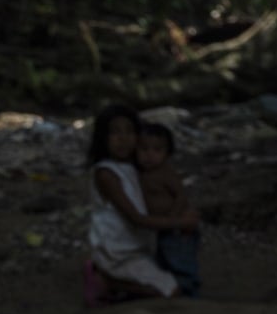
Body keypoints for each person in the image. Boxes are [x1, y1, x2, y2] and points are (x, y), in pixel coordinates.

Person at [84, 105, 197, 301]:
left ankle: (119, 284)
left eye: (129, 131)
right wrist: (181, 222)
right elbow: (136, 219)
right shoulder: (106, 174)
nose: (123, 138)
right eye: (115, 132)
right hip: (117, 253)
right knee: (171, 291)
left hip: (139, 248)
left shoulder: (136, 168)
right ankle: (107, 281)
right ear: (103, 138)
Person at [135, 122, 202, 297]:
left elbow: (180, 195)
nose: (149, 155)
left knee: (181, 261)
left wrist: (175, 217)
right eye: (144, 149)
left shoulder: (166, 174)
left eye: (157, 150)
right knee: (164, 260)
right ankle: (174, 289)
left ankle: (189, 291)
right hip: (161, 228)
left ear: (167, 154)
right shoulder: (141, 174)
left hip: (177, 229)